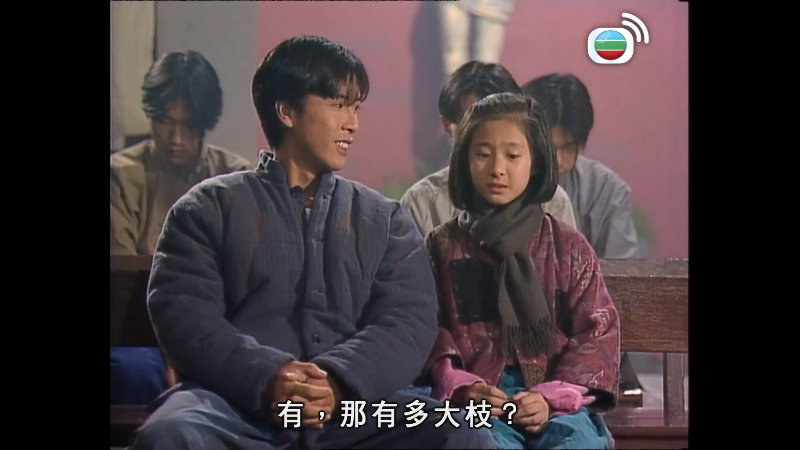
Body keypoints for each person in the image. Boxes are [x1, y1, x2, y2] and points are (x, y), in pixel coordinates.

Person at [128, 36, 496, 450]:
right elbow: (185, 314)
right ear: (286, 111)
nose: (352, 124)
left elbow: (408, 322)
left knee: (463, 433)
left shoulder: (386, 220)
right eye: (338, 105)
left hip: (354, 410)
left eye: (355, 108)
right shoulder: (207, 209)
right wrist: (269, 376)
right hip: (236, 407)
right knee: (171, 432)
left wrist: (337, 382)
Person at [424, 93, 619, 449]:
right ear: (464, 161)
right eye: (483, 154)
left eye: (512, 156)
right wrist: (462, 386)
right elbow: (427, 329)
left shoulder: (567, 246)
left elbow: (597, 331)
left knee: (578, 442)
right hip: (480, 402)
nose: (497, 168)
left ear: (536, 163)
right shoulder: (443, 245)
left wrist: (551, 397)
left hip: (559, 402)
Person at [110, 50, 252, 406]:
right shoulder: (121, 176)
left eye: (188, 125)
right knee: (133, 370)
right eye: (165, 121)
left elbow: (244, 279)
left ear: (205, 123)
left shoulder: (234, 176)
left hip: (217, 335)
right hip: (140, 338)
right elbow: (122, 282)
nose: (175, 137)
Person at [522, 73, 642, 394]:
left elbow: (620, 286)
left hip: (591, 345)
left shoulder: (607, 191)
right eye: (551, 147)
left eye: (570, 147)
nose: (560, 161)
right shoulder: (501, 183)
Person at [401, 61, 576, 239]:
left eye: (511, 155)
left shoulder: (553, 203)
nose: (497, 168)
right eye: (474, 123)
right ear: (447, 125)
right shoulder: (422, 203)